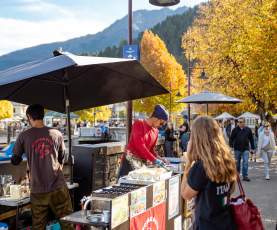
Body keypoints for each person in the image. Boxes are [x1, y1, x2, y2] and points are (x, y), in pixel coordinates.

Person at [11, 104, 73, 230]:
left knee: (38, 226)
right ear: (43, 116)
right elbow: (63, 157)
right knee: (67, 223)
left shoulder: (24, 136)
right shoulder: (56, 133)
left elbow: (15, 160)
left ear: (29, 117)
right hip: (58, 186)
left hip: (38, 189)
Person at [181, 116, 237, 230]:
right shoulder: (227, 159)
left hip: (207, 224)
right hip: (226, 222)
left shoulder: (201, 166)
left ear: (198, 138)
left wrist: (188, 162)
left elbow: (185, 194)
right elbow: (232, 189)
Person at [118, 104, 169, 178]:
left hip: (142, 163)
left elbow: (151, 150)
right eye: (161, 123)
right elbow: (140, 145)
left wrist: (160, 159)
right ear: (155, 118)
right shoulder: (139, 123)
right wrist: (154, 160)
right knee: (124, 184)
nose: (161, 126)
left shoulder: (156, 131)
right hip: (130, 160)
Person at [229, 117, 255, 182]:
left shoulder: (248, 130)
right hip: (237, 149)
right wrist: (231, 146)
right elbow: (231, 139)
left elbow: (251, 139)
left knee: (245, 162)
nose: (239, 123)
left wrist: (252, 148)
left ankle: (245, 176)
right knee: (237, 163)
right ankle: (237, 175)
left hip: (245, 148)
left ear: (244, 123)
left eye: (241, 122)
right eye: (238, 122)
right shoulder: (235, 130)